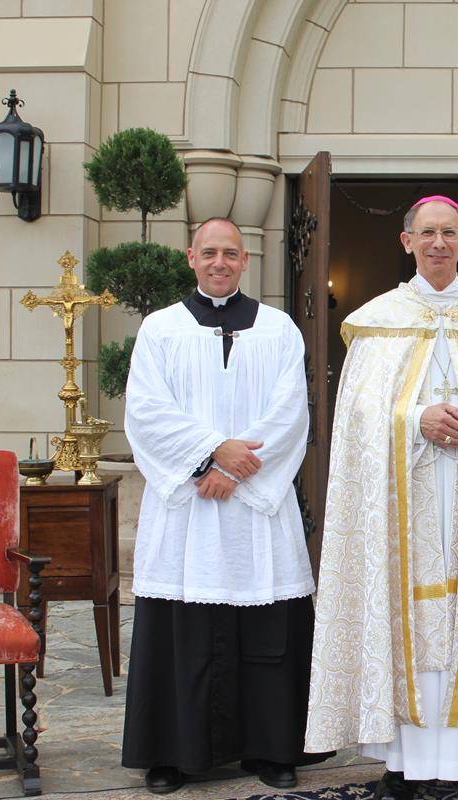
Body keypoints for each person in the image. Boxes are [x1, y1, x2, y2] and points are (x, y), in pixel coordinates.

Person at [304, 196, 458, 800]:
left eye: (449, 233)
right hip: (403, 499)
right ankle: (401, 764)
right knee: (404, 612)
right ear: (407, 240)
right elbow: (358, 416)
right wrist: (415, 418)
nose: (438, 243)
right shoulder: (377, 323)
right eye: (427, 234)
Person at [122, 217, 325, 794]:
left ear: (244, 260)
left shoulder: (279, 328)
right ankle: (171, 755)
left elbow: (292, 412)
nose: (219, 263)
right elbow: (145, 412)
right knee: (180, 631)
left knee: (267, 630)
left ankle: (273, 747)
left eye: (230, 254)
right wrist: (209, 456)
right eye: (209, 252)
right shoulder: (161, 330)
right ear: (191, 257)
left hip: (256, 507)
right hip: (187, 507)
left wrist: (237, 473)